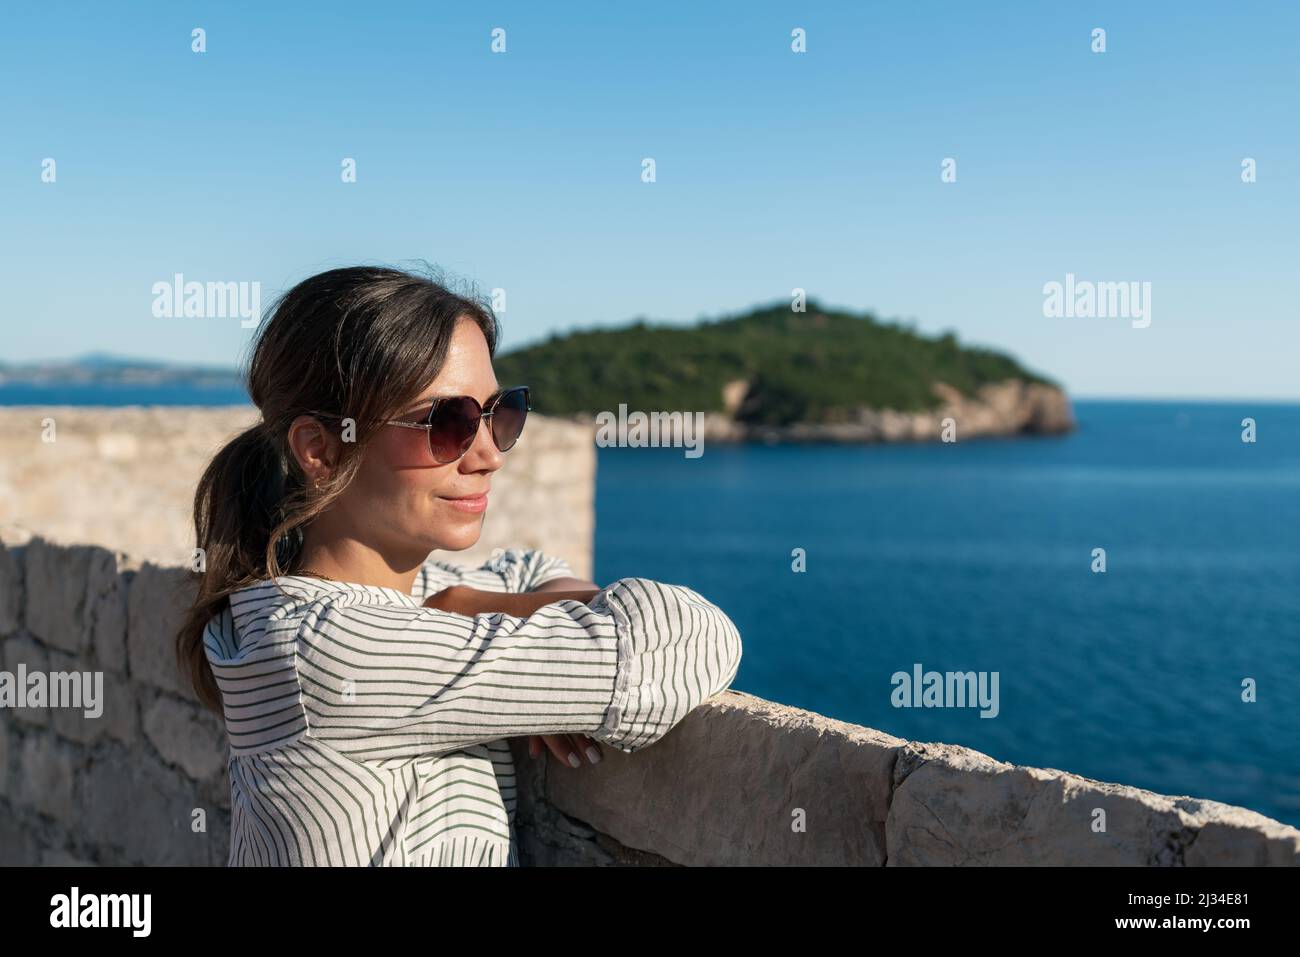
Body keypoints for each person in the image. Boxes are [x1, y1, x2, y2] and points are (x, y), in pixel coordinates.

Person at [174, 265, 743, 866]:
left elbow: (526, 571)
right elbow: (690, 643)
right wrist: (529, 637)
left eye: (500, 412)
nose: (489, 453)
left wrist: (472, 606)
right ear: (320, 449)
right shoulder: (335, 649)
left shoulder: (374, 597)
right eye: (446, 422)